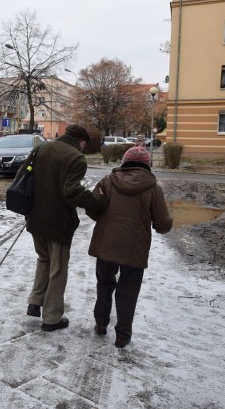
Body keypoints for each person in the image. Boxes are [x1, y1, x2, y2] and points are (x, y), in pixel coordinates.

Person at [20, 124, 108, 331]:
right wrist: (97, 201)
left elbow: (23, 176)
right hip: (58, 223)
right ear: (82, 141)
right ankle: (51, 318)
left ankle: (35, 302)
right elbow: (71, 192)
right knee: (58, 270)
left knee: (44, 259)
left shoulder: (42, 148)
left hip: (35, 218)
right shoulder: (76, 157)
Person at [86, 146, 173, 348]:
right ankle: (123, 336)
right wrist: (166, 223)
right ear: (147, 165)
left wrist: (103, 218)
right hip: (135, 247)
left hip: (106, 244)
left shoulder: (107, 181)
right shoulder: (153, 188)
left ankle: (100, 323)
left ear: (124, 162)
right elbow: (162, 224)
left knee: (104, 284)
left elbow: (92, 208)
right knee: (128, 290)